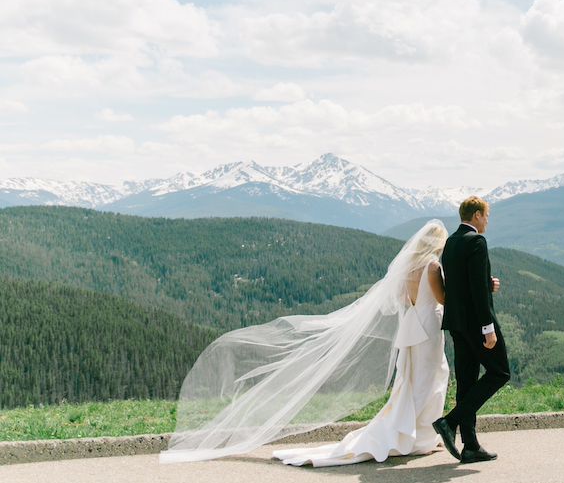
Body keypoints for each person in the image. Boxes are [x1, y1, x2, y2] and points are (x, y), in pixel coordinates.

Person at [160, 220, 451, 464]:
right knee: (432, 379)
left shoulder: (410, 267)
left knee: (411, 381)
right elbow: (442, 299)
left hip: (411, 326)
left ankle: (414, 432)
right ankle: (422, 435)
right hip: (429, 326)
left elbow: (400, 299)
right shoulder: (433, 267)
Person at [433, 196, 509, 463]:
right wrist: (488, 328)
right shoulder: (477, 241)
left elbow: (461, 282)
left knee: (466, 382)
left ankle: (471, 445)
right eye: (487, 215)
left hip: (456, 322)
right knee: (500, 372)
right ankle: (450, 422)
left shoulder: (451, 242)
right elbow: (475, 290)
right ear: (476, 215)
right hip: (476, 323)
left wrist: (488, 283)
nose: (488, 220)